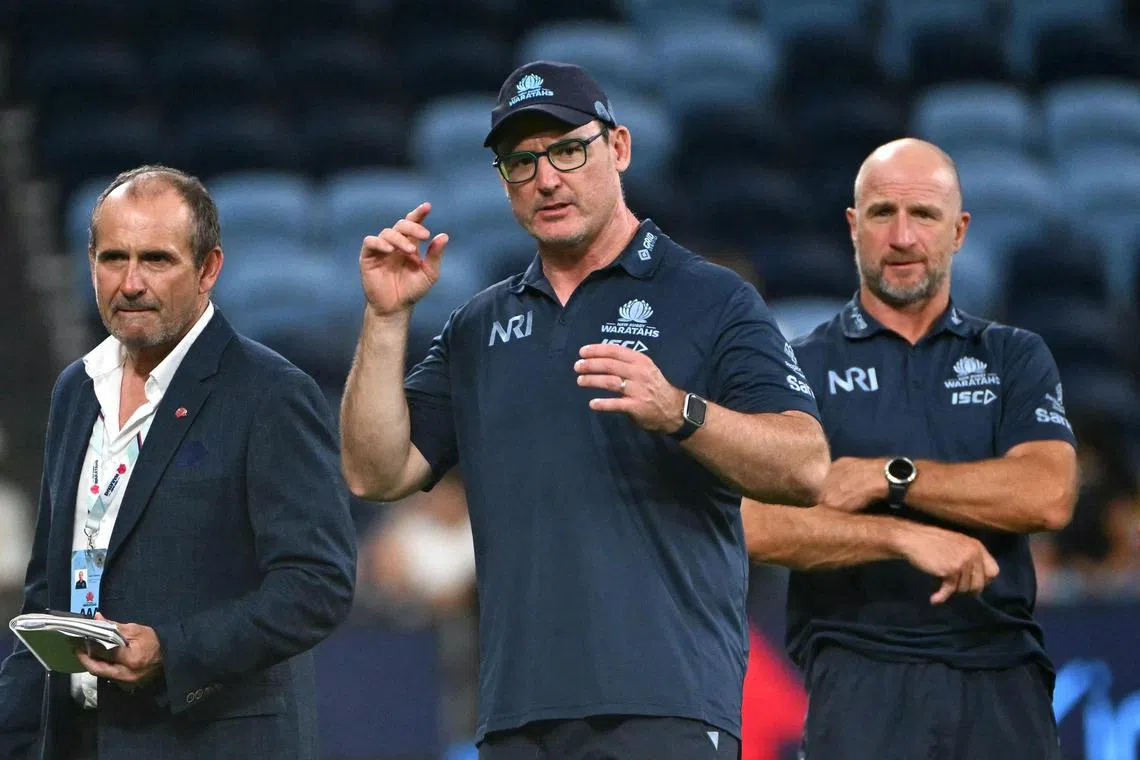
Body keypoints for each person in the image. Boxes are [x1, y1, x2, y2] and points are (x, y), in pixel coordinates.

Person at [340, 60, 830, 760]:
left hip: (666, 704)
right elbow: (374, 472)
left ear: (619, 148)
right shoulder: (479, 326)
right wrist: (386, 320)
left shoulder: (711, 298)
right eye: (521, 162)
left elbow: (806, 466)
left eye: (568, 150)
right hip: (515, 715)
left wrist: (681, 411)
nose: (546, 178)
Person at [0, 166, 358, 760]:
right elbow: (46, 594)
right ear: (90, 262)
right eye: (113, 258)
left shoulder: (269, 393)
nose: (131, 283)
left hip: (212, 742)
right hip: (83, 740)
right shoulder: (76, 390)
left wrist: (172, 649)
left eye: (157, 260)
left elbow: (317, 585)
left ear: (208, 269)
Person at [744, 138, 1079, 760]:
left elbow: (1049, 492)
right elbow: (758, 525)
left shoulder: (1013, 355)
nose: (902, 237)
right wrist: (902, 537)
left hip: (1003, 673)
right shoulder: (800, 366)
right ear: (853, 226)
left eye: (923, 214)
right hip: (860, 674)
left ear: (959, 230)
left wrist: (890, 478)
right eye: (882, 213)